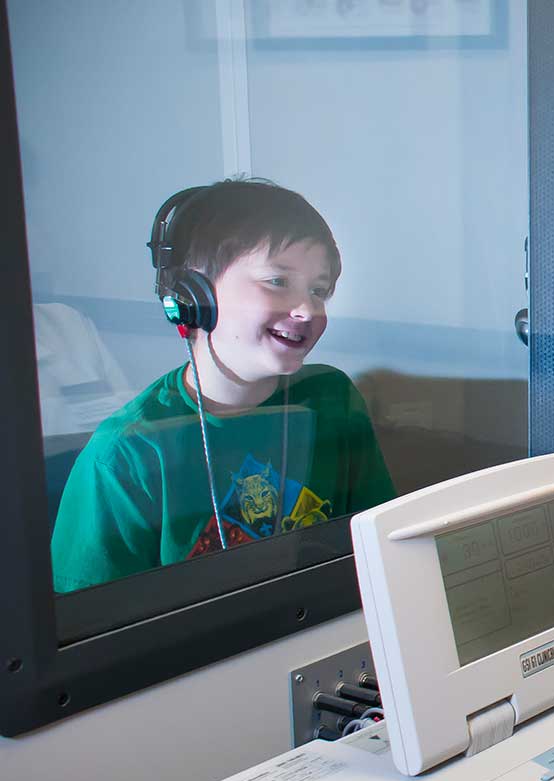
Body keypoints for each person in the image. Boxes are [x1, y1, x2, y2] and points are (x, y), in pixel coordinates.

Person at [50, 179, 394, 592]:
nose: (307, 309)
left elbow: (382, 554)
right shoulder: (128, 454)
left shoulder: (332, 400)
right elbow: (90, 631)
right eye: (277, 281)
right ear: (194, 295)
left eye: (318, 291)